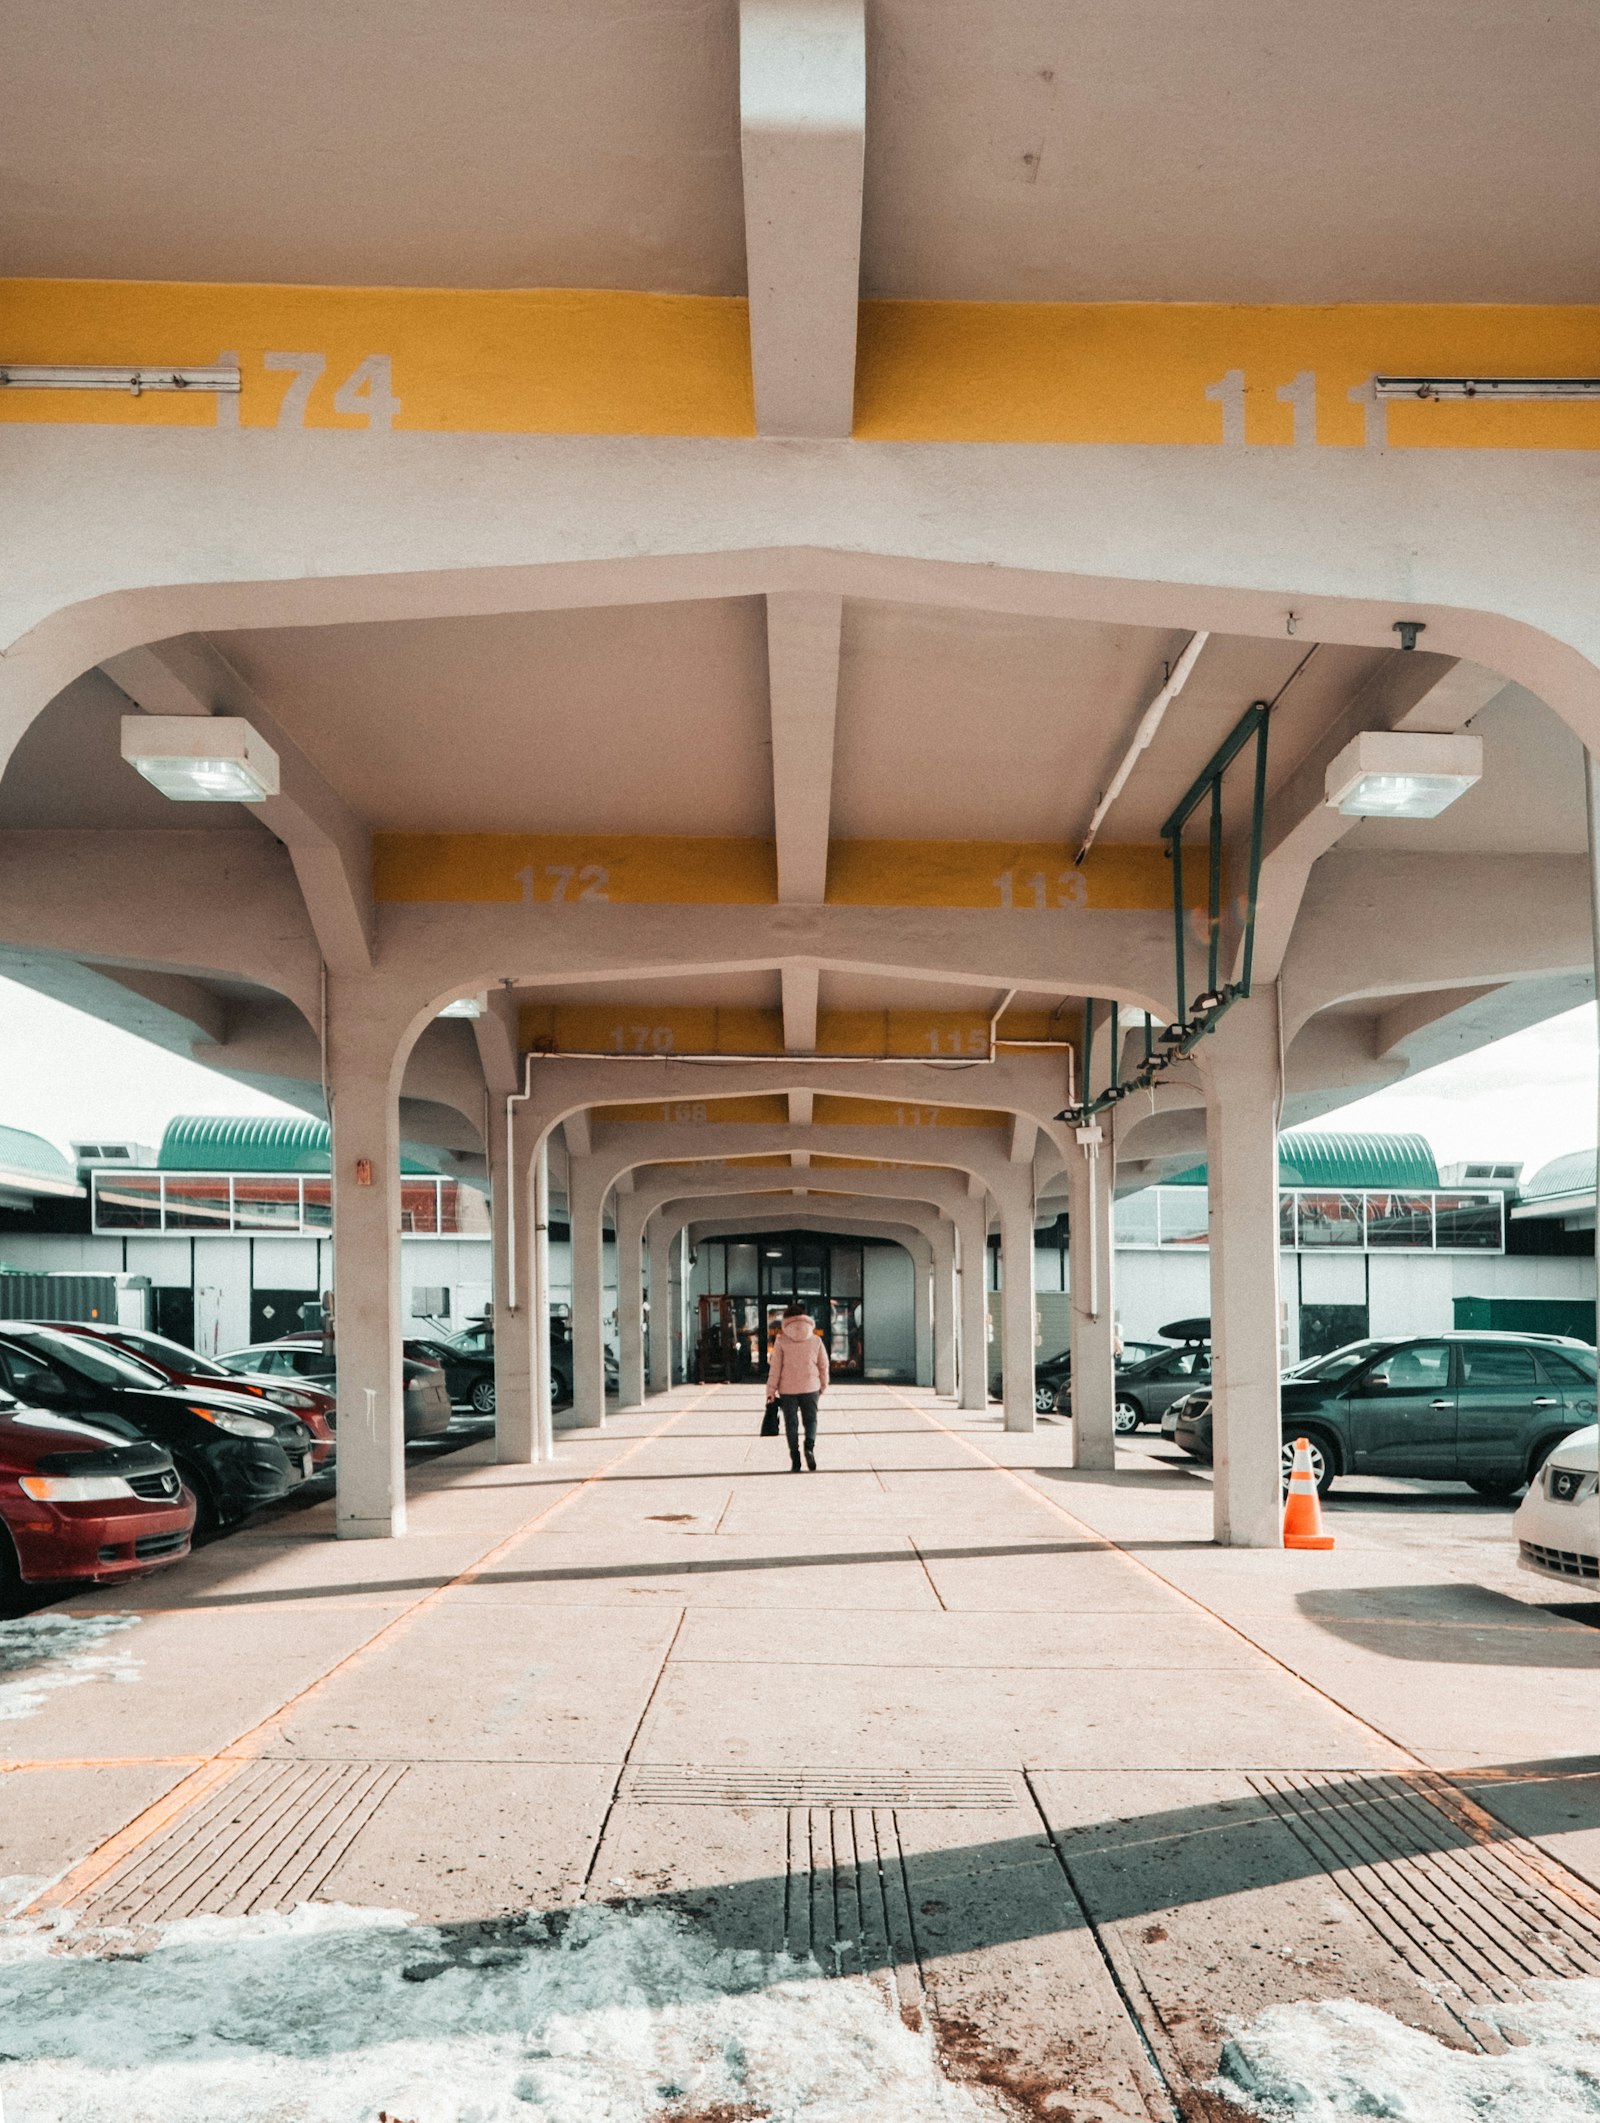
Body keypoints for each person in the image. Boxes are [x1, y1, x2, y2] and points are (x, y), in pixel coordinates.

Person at [766, 1303, 829, 1472]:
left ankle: (795, 1458)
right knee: (811, 1420)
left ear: (786, 1320)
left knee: (791, 1424)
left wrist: (771, 1391)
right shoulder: (816, 1340)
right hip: (811, 1387)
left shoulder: (781, 1341)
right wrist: (823, 1385)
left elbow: (775, 1368)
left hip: (787, 1390)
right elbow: (824, 1365)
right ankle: (809, 1446)